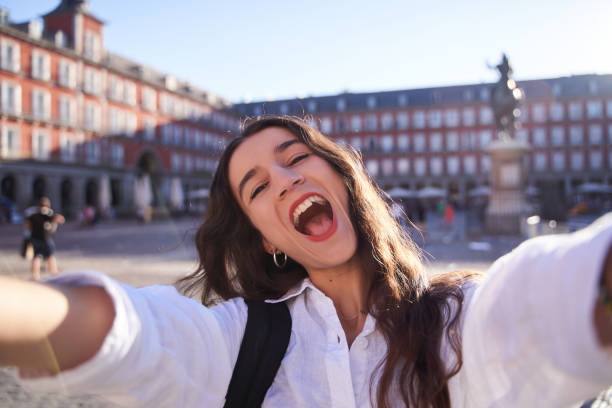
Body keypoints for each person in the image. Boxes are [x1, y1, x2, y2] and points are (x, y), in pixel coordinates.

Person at [0, 115, 611, 408]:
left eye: (296, 158)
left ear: (341, 180)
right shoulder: (242, 342)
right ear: (268, 238)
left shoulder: (454, 319)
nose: (287, 181)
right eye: (258, 188)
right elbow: (136, 337)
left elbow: (539, 305)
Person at [24, 197, 65, 280]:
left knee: (36, 257)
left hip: (34, 237)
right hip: (45, 238)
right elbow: (60, 219)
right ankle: (54, 272)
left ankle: (35, 275)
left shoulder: (32, 214)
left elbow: (27, 225)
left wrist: (28, 233)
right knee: (50, 256)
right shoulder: (47, 214)